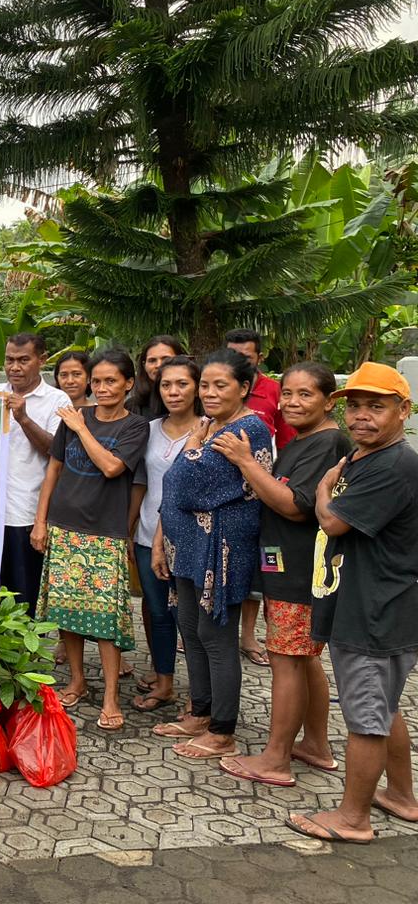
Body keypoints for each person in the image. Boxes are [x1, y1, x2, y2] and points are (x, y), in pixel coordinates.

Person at [287, 363, 418, 843]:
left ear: (403, 411)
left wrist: (323, 490)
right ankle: (401, 796)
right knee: (383, 708)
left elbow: (332, 522)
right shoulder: (368, 457)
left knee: (366, 719)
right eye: (356, 406)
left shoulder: (393, 465)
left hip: (376, 611)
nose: (362, 415)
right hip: (369, 604)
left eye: (376, 406)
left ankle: (352, 819)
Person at [212, 362, 349, 787]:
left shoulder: (327, 442)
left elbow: (294, 505)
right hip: (285, 565)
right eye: (287, 393)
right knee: (304, 659)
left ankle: (275, 760)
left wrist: (244, 461)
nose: (292, 402)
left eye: (305, 394)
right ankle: (316, 745)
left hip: (299, 570)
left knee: (286, 660)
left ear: (329, 401)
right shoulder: (304, 438)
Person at [152, 348, 271, 761]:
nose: (210, 393)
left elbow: (182, 484)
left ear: (244, 387)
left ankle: (223, 731)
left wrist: (193, 444)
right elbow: (176, 486)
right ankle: (200, 712)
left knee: (217, 636)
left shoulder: (247, 429)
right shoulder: (212, 426)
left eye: (221, 385)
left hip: (221, 548)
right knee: (190, 627)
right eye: (206, 385)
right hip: (190, 545)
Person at [32, 350, 149, 731]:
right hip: (64, 527)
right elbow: (54, 470)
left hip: (105, 532)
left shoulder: (135, 426)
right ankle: (77, 681)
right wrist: (40, 522)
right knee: (67, 612)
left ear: (128, 383)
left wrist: (81, 428)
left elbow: (113, 467)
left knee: (105, 620)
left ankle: (111, 696)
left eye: (111, 381)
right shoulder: (74, 419)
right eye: (97, 381)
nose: (102, 388)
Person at [129, 356, 203, 712]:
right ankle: (164, 684)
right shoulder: (149, 429)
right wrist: (129, 530)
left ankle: (199, 694)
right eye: (166, 385)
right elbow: (140, 483)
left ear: (197, 387)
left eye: (182, 384)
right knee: (158, 613)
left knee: (191, 620)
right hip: (147, 535)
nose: (173, 392)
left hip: (192, 539)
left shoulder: (210, 429)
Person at [0, 334, 72, 618]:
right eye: (9, 360)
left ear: (42, 360)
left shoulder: (58, 400)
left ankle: (26, 648)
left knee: (24, 596)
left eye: (23, 360)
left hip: (26, 513)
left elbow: (56, 450)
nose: (15, 367)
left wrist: (23, 418)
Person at [225, 328, 293, 667]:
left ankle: (248, 636)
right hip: (219, 491)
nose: (238, 362)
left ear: (260, 358)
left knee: (253, 564)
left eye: (246, 357)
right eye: (232, 354)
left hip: (259, 490)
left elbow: (288, 440)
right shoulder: (216, 385)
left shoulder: (274, 391)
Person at [128, 336, 187, 418]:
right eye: (152, 360)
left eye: (166, 359)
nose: (158, 365)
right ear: (144, 365)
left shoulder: (197, 403)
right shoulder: (132, 407)